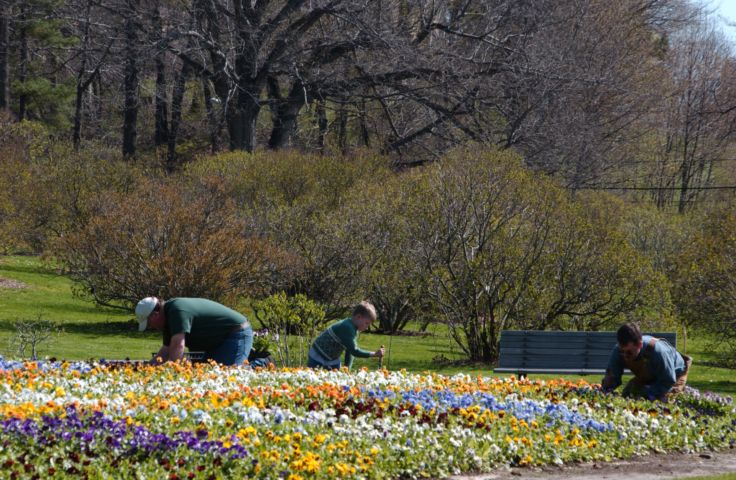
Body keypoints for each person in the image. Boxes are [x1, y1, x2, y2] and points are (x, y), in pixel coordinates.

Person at [136, 296, 253, 366]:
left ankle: (262, 363)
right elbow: (165, 352)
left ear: (155, 315)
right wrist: (148, 367)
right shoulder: (168, 318)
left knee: (228, 374)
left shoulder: (176, 311)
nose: (151, 327)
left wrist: (170, 368)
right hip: (216, 341)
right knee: (206, 375)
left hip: (235, 333)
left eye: (149, 323)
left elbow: (178, 346)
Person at [601, 322, 692, 401]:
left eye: (629, 352)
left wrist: (645, 393)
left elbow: (668, 380)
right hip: (651, 375)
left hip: (673, 375)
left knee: (661, 402)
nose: (624, 355)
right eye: (622, 351)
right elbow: (612, 377)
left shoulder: (659, 352)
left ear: (639, 345)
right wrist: (604, 391)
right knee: (627, 394)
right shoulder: (617, 350)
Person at [308, 301, 385, 369]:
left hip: (332, 359)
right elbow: (355, 351)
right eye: (366, 323)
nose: (367, 327)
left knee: (338, 381)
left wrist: (347, 369)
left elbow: (350, 351)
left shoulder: (354, 328)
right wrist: (374, 354)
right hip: (318, 355)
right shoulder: (347, 327)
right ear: (358, 317)